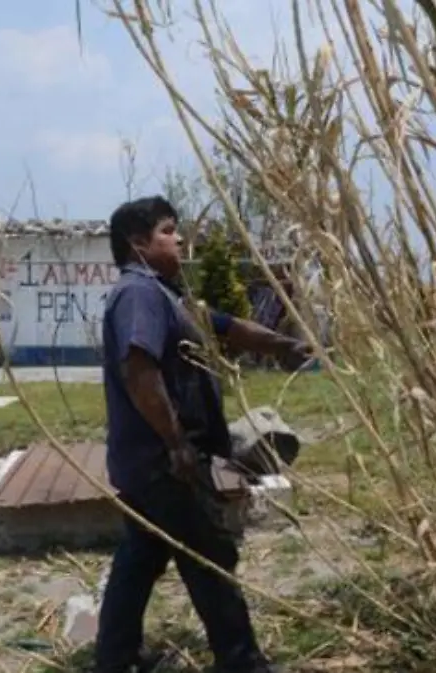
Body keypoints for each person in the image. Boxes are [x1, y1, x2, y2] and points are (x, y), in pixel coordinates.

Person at [93, 196, 310, 673]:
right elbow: (139, 369)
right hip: (163, 462)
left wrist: (282, 345)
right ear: (138, 242)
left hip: (147, 462)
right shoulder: (139, 294)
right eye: (169, 231)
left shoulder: (167, 296)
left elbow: (226, 327)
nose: (179, 240)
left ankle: (116, 657)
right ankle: (241, 662)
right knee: (211, 556)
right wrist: (177, 444)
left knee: (141, 556)